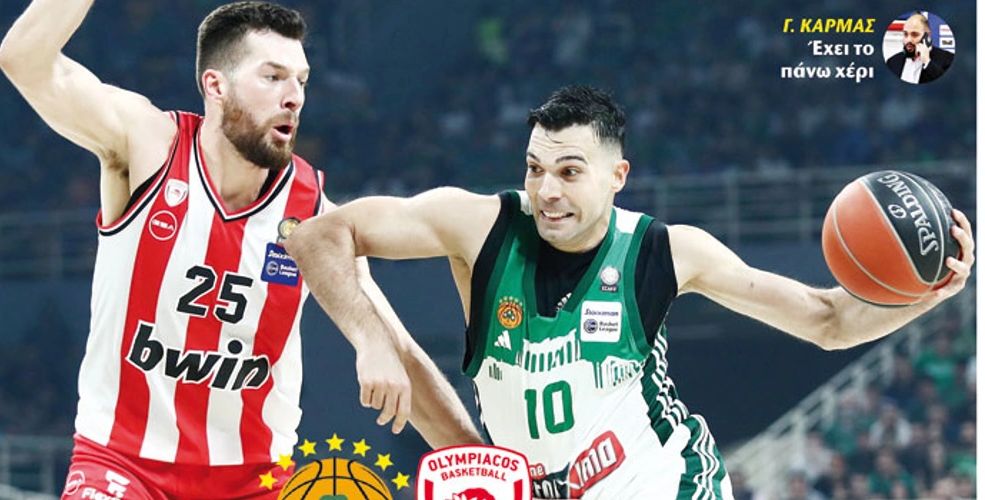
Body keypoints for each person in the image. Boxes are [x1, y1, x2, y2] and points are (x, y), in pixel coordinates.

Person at [285, 86, 975, 499]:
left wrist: (931, 295)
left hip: (669, 485)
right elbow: (319, 237)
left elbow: (827, 320)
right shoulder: (478, 225)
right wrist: (371, 342)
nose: (547, 190)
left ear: (617, 176)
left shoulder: (666, 251)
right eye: (535, 168)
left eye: (569, 172)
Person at [0, 1, 479, 499]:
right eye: (273, 77)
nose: (293, 97)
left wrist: (480, 464)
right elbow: (24, 61)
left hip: (254, 482)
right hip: (123, 465)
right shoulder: (147, 145)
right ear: (216, 86)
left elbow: (400, 354)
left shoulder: (314, 217)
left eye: (301, 81)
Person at [885, 13, 955, 84]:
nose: (908, 40)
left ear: (927, 35)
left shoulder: (947, 59)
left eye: (914, 34)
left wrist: (927, 62)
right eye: (905, 34)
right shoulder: (892, 62)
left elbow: (947, 85)